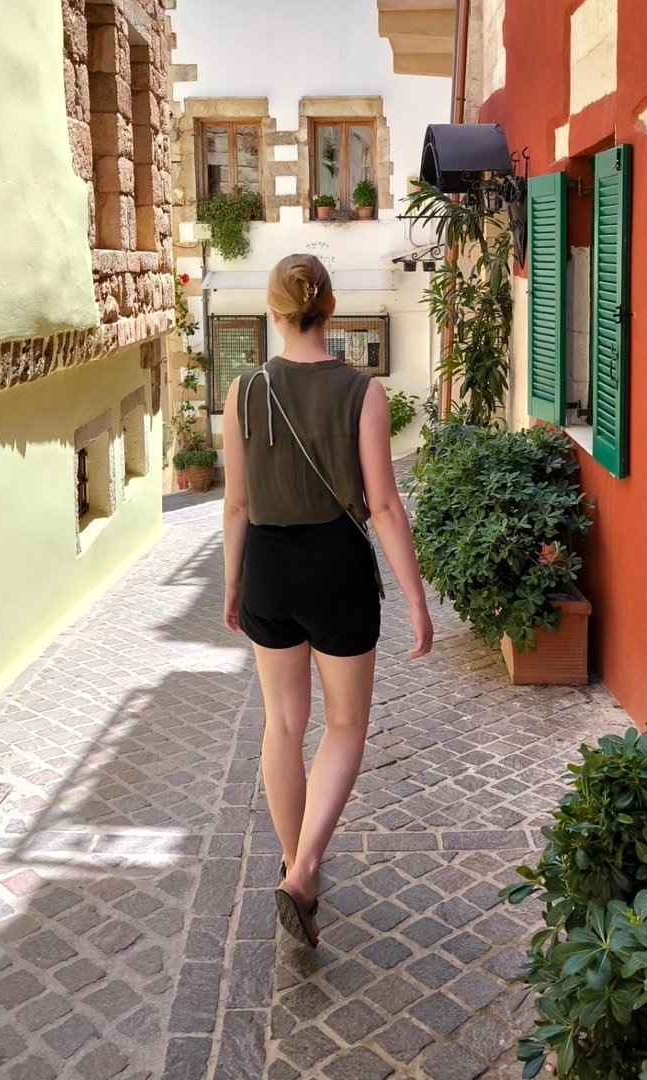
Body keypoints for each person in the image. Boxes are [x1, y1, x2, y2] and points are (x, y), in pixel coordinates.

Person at [222, 254, 434, 949]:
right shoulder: (363, 392)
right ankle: (305, 869)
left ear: (274, 312)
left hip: (267, 565)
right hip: (336, 568)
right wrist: (416, 598)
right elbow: (384, 504)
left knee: (284, 725)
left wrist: (232, 582)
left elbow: (235, 503)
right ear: (331, 309)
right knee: (344, 724)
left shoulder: (244, 391)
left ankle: (295, 867)